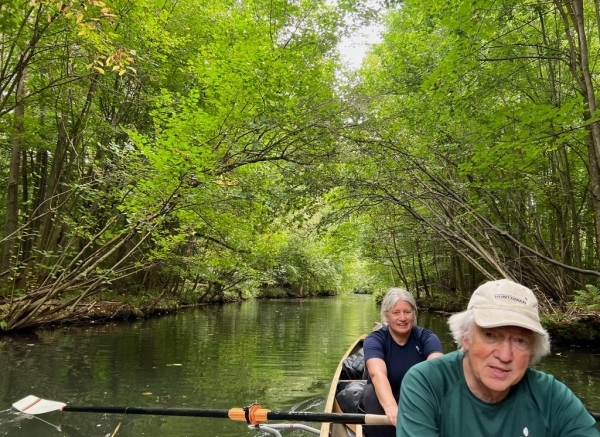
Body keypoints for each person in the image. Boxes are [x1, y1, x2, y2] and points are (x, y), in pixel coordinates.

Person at [396, 278, 600, 437]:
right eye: (491, 335)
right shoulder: (425, 383)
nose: (504, 355)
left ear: (532, 351)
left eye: (520, 341)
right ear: (466, 338)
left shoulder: (552, 396)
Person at [363, 287, 444, 437]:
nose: (403, 318)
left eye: (407, 312)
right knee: (369, 392)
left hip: (418, 396)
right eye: (396, 313)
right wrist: (392, 408)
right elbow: (377, 374)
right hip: (385, 397)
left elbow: (437, 368)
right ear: (386, 316)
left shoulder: (427, 338)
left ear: (414, 313)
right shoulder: (374, 340)